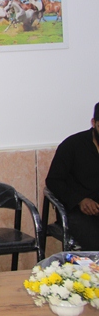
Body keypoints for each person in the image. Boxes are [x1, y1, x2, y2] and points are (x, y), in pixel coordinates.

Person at [46, 102, 99, 250]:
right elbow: (54, 181)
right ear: (93, 123)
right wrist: (80, 200)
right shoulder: (73, 145)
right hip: (78, 212)